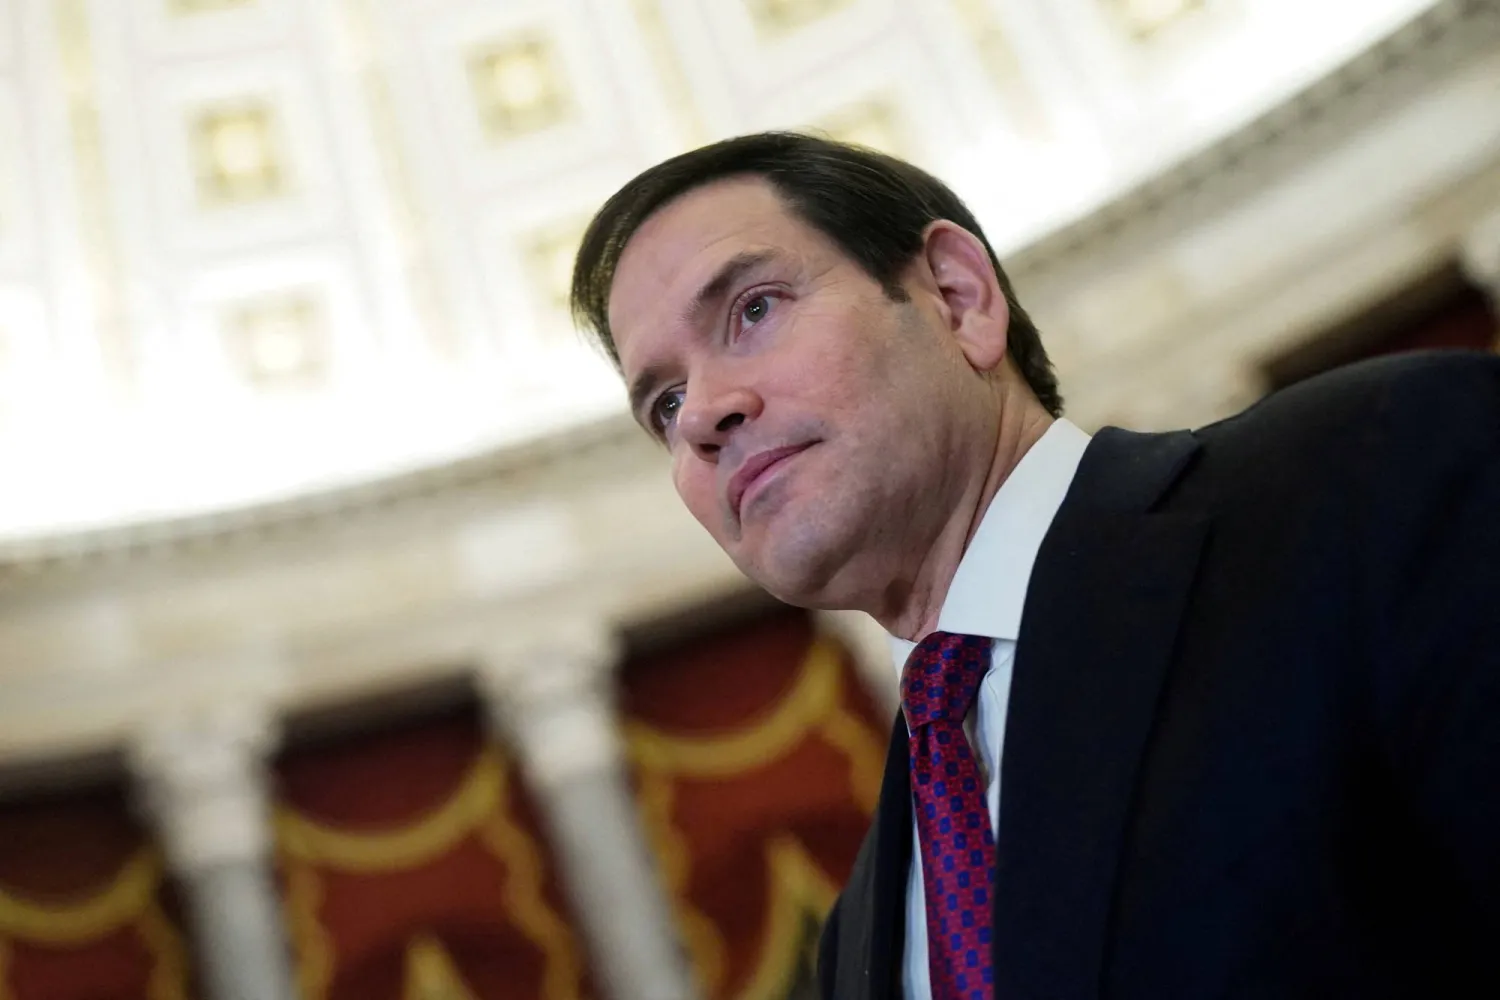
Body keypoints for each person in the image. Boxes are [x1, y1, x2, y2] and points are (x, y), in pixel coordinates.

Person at [570, 131, 1500, 1000]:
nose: (701, 418)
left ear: (956, 297)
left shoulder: (1370, 480)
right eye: (664, 403)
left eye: (753, 309)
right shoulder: (857, 939)